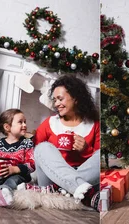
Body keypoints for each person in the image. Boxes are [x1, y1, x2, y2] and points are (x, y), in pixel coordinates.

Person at [32, 74, 101, 211]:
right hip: (51, 177)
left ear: (75, 98)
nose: (56, 104)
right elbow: (36, 156)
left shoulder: (94, 124)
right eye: (55, 100)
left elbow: (97, 160)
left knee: (100, 154)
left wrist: (86, 150)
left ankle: (61, 189)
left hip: (83, 176)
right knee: (42, 147)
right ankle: (78, 190)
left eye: (60, 99)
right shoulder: (49, 123)